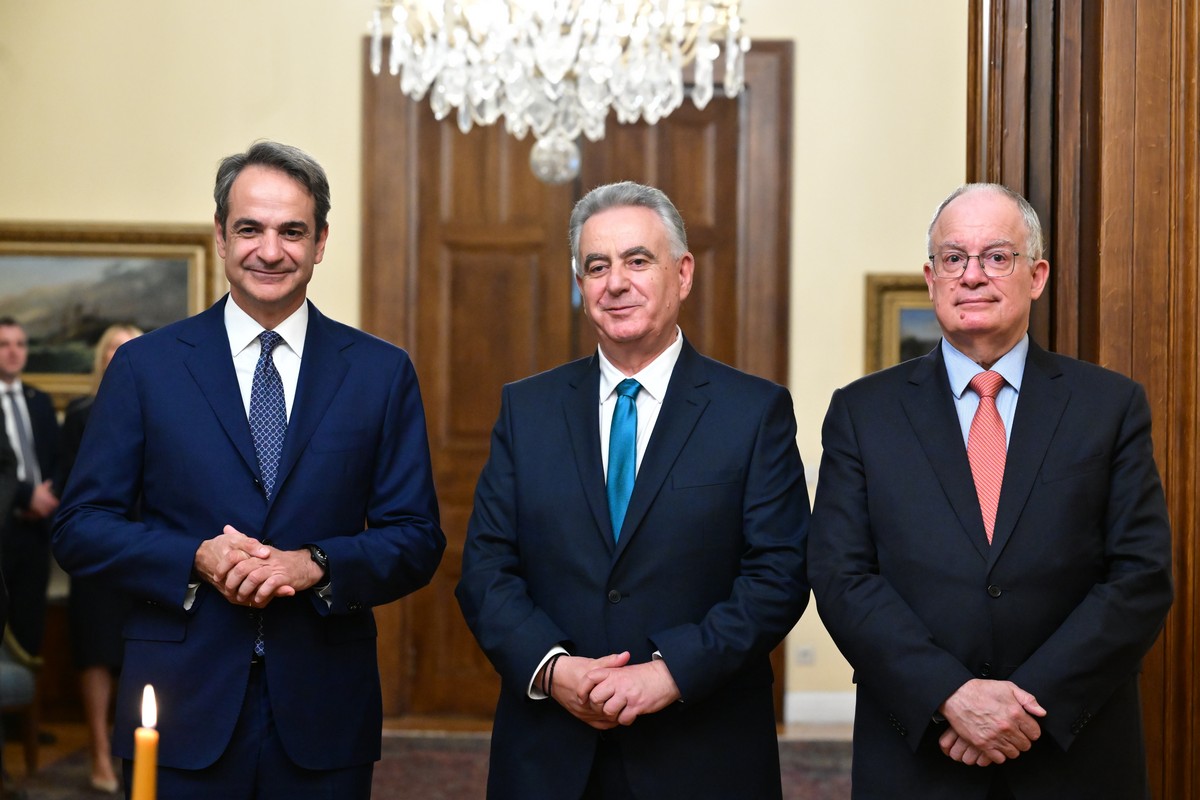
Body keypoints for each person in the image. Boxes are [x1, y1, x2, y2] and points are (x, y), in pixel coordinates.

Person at [52, 140, 445, 798]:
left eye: (292, 231)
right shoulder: (146, 368)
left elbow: (417, 536)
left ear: (321, 242)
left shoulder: (379, 373)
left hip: (324, 708)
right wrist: (195, 557)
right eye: (249, 229)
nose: (270, 250)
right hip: (179, 704)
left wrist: (313, 564)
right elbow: (80, 526)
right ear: (220, 236)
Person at [807, 183, 1174, 799]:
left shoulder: (1109, 406)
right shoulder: (862, 412)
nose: (972, 275)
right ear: (932, 279)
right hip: (920, 754)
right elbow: (842, 576)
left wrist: (1026, 705)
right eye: (954, 258)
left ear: (1037, 276)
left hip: (1071, 755)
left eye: (997, 257)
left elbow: (1140, 575)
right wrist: (948, 694)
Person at [456, 181, 811, 799]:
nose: (615, 283)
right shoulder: (527, 409)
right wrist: (553, 669)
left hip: (701, 751)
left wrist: (670, 673)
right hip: (551, 753)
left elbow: (779, 574)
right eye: (597, 267)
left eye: (637, 260)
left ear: (683, 273)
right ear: (580, 285)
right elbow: (486, 568)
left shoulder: (754, 413)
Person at [56, 323, 143, 794]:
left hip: (148, 551)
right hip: (97, 553)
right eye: (114, 349)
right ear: (101, 358)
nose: (121, 357)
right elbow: (73, 489)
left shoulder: (160, 407)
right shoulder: (81, 414)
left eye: (131, 349)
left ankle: (137, 752)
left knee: (136, 652)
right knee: (95, 651)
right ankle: (98, 752)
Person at [0, 317, 60, 659]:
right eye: (4, 344)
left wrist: (49, 496)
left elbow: (59, 457)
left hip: (37, 531)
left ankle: (26, 693)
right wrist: (27, 495)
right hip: (3, 525)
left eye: (20, 344)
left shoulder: (39, 400)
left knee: (30, 626)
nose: (13, 352)